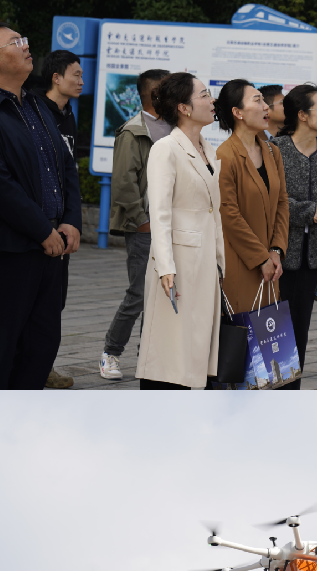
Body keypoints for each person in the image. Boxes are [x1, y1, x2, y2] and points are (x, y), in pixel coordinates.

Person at [0, 23, 82, 389]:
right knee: (0, 351)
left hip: (52, 247)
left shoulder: (36, 104)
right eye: (16, 43)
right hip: (7, 250)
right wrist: (41, 230)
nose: (27, 46)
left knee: (42, 346)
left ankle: (21, 430)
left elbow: (65, 166)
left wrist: (71, 221)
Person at [134, 72, 225, 389]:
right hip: (178, 264)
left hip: (205, 263)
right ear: (184, 108)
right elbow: (158, 212)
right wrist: (165, 268)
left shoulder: (209, 148)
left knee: (196, 346)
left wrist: (221, 260)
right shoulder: (166, 149)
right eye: (203, 95)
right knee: (170, 350)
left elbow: (215, 211)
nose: (211, 101)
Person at [271, 83, 317, 389]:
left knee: (299, 331)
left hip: (312, 256)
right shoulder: (275, 149)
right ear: (302, 115)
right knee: (271, 331)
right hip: (275, 256)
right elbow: (270, 201)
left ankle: (290, 395)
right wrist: (310, 210)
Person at [101, 67, 170, 380]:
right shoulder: (133, 131)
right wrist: (142, 222)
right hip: (144, 228)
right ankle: (111, 353)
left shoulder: (177, 128)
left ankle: (150, 356)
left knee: (166, 294)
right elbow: (124, 182)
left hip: (172, 227)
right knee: (140, 293)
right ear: (156, 95)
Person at [33, 48, 88, 388]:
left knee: (56, 300)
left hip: (63, 219)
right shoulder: (36, 111)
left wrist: (74, 220)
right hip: (39, 222)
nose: (81, 81)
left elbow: (70, 174)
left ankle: (43, 366)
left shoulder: (69, 115)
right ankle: (27, 367)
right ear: (56, 78)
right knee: (33, 300)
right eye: (76, 75)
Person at [215, 79, 287, 323]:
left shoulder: (271, 151)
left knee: (268, 341)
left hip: (271, 265)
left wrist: (276, 250)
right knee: (242, 340)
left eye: (265, 101)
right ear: (238, 113)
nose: (266, 107)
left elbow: (281, 203)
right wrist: (261, 258)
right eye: (257, 101)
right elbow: (229, 215)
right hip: (241, 263)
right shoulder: (225, 155)